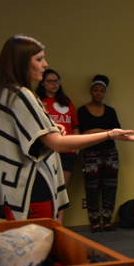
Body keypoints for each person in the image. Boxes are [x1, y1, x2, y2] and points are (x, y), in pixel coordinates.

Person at [0, 36, 134, 222]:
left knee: (19, 244)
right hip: (32, 185)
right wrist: (109, 134)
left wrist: (50, 128)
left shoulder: (2, 92)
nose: (45, 64)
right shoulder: (23, 95)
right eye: (39, 59)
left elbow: (21, 137)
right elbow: (57, 144)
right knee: (37, 245)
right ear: (21, 62)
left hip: (11, 186)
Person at [78, 74, 134, 232]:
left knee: (110, 187)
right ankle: (95, 221)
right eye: (95, 90)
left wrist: (98, 131)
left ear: (105, 93)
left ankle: (108, 220)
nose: (99, 93)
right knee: (92, 188)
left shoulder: (110, 111)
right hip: (90, 153)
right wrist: (107, 131)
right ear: (90, 91)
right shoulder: (82, 110)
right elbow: (85, 133)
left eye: (102, 91)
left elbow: (118, 131)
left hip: (110, 153)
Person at [35, 68, 79, 224]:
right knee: (46, 190)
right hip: (46, 152)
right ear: (42, 83)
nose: (54, 84)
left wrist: (76, 148)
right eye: (50, 81)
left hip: (67, 152)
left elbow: (74, 126)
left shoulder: (67, 103)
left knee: (62, 191)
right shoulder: (37, 102)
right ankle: (46, 224)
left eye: (56, 81)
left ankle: (59, 225)